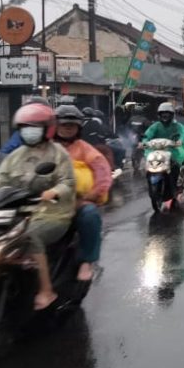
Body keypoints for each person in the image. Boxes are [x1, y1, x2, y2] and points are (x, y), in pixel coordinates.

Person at [0, 102, 75, 309]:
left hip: (53, 213)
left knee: (30, 236)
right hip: (19, 212)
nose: (29, 132)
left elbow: (68, 182)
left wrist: (54, 191)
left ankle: (46, 290)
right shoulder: (16, 155)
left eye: (34, 127)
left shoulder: (58, 153)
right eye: (25, 128)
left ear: (47, 129)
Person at [53, 105, 112, 284]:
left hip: (76, 202)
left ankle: (87, 261)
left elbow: (103, 172)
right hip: (45, 202)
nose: (68, 128)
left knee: (90, 215)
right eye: (64, 125)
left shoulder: (86, 149)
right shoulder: (45, 148)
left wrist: (94, 194)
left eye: (72, 125)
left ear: (78, 128)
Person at [141, 102, 184, 200]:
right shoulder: (155, 126)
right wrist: (144, 142)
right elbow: (147, 135)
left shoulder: (177, 126)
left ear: (172, 115)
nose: (165, 115)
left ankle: (176, 185)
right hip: (156, 150)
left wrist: (180, 141)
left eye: (167, 113)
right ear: (159, 115)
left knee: (175, 167)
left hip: (173, 151)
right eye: (162, 113)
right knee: (148, 167)